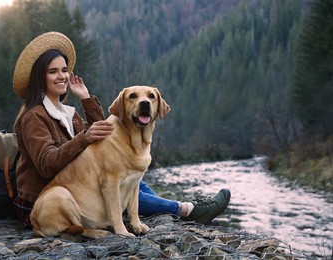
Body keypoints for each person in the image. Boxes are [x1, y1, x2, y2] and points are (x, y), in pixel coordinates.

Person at [12, 31, 231, 229]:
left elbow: (101, 139)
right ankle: (186, 210)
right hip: (44, 199)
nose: (62, 76)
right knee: (118, 182)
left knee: (135, 178)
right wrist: (83, 137)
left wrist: (86, 98)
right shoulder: (34, 116)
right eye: (53, 72)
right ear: (40, 78)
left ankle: (166, 214)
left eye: (64, 70)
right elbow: (45, 164)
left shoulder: (65, 111)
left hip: (77, 180)